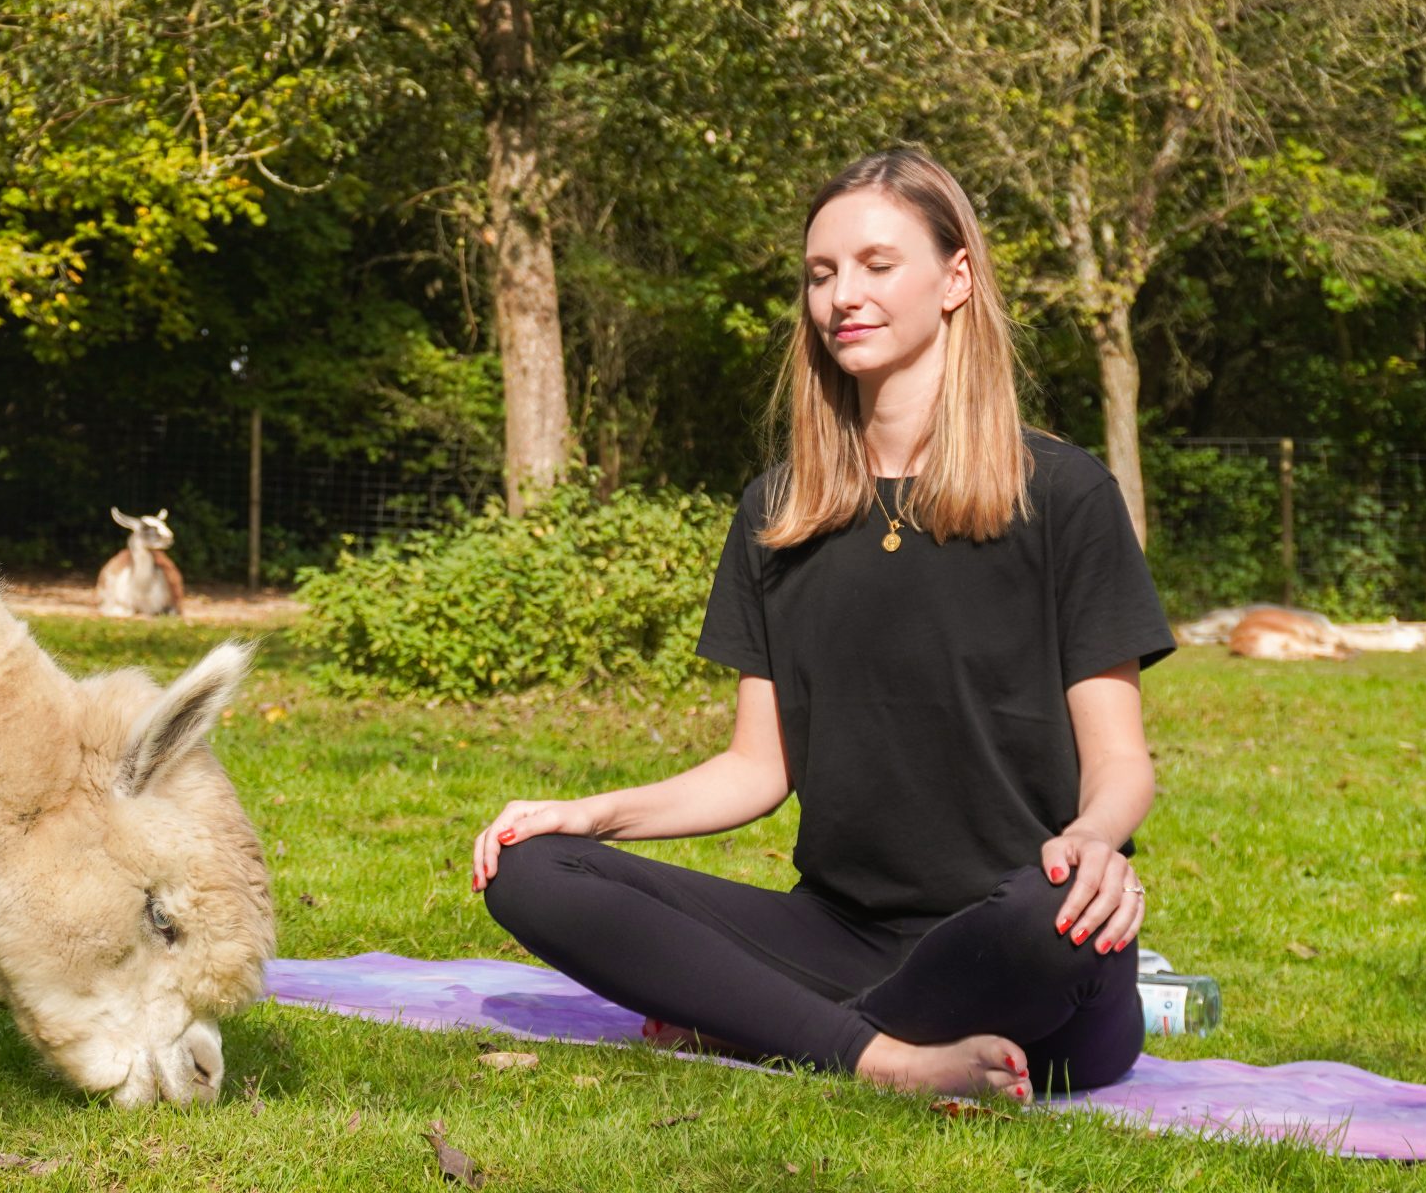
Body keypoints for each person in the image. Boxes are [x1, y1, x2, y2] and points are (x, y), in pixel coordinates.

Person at [473, 148, 1176, 1102]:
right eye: (821, 273)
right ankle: (881, 1059)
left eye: (878, 265)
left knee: (1045, 915)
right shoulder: (779, 511)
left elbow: (1122, 763)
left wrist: (1096, 838)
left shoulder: (1064, 495)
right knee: (531, 870)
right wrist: (587, 815)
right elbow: (756, 772)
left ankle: (767, 1020)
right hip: (839, 936)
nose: (844, 293)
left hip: (1024, 943)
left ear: (956, 277)